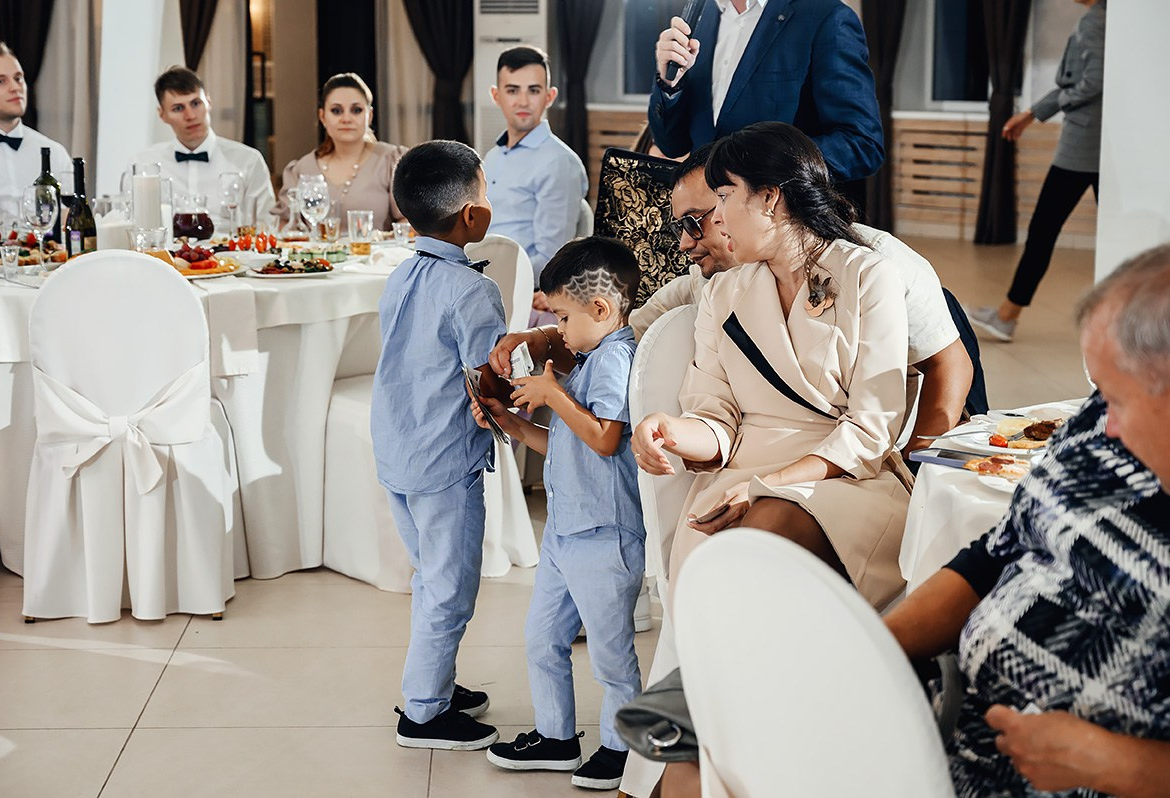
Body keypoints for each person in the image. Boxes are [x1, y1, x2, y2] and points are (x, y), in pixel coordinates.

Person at [885, 243, 1170, 797]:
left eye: (1118, 398)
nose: (1103, 422)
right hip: (959, 719)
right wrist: (874, 645)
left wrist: (1116, 764)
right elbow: (1001, 549)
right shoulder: (1100, 427)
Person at [491, 138, 972, 458]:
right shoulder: (711, 284)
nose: (685, 242)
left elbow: (949, 364)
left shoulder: (875, 261)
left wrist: (918, 465)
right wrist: (538, 341)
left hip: (884, 446)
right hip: (772, 459)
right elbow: (619, 340)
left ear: (757, 199)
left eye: (697, 219)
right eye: (679, 227)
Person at [632, 121, 911, 610]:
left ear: (769, 198)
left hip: (843, 478)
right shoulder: (723, 293)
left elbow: (872, 428)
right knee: (732, 545)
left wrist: (765, 488)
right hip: (738, 478)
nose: (718, 217)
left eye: (724, 196)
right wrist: (669, 430)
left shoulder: (868, 276)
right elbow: (714, 416)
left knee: (763, 531)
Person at [475, 237, 645, 792]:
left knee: (611, 655)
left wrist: (552, 394)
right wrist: (509, 420)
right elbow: (566, 446)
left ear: (601, 308)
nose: (558, 331)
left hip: (604, 535)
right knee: (541, 638)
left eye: (564, 318)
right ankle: (555, 736)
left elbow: (605, 439)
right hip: (566, 531)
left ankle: (623, 750)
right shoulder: (592, 359)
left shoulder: (615, 358)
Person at [370, 140, 507, 751]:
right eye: (485, 190)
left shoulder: (401, 273)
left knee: (430, 576)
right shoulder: (473, 291)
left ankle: (434, 683)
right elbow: (489, 376)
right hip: (445, 461)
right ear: (472, 216)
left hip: (398, 451)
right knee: (450, 587)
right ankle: (423, 713)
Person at [969, 0, 1105, 342]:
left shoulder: (1096, 22)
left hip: (1082, 146)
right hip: (1097, 145)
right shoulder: (1105, 19)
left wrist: (1045, 109)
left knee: (1043, 229)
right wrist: (1030, 114)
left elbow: (1092, 82)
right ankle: (1008, 313)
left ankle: (1007, 316)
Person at [648, 0, 883, 184]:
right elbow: (672, 145)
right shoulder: (697, 17)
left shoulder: (826, 16)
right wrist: (670, 84)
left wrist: (762, 168)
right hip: (705, 223)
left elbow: (862, 145)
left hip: (783, 222)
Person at [483, 46, 588, 284]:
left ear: (549, 97)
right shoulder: (493, 157)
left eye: (533, 90)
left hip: (517, 287)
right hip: (482, 274)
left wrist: (486, 276)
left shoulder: (559, 163)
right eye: (512, 90)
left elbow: (551, 260)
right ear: (496, 95)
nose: (523, 101)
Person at [130, 66, 275, 229]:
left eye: (195, 103)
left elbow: (265, 224)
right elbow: (133, 223)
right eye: (178, 108)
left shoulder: (248, 160)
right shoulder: (143, 165)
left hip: (231, 245)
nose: (190, 116)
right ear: (162, 115)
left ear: (208, 102)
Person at [271, 72, 406, 230]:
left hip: (379, 247)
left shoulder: (391, 161)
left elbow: (411, 223)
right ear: (322, 116)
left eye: (356, 110)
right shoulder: (302, 169)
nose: (346, 119)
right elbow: (285, 228)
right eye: (336, 111)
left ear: (369, 116)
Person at [0, 43, 72, 203]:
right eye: (0, 81)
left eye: (18, 78)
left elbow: (70, 214)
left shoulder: (55, 153)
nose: (15, 87)